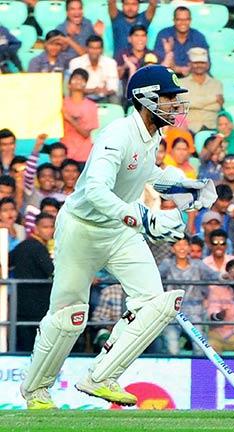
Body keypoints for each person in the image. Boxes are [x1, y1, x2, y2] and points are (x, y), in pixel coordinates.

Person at [19, 65, 216, 410]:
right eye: (169, 98)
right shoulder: (117, 134)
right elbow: (95, 189)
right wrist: (138, 215)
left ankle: (101, 377)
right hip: (82, 226)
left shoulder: (152, 136)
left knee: (155, 304)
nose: (174, 105)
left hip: (119, 230)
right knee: (70, 314)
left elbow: (147, 172)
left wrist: (188, 189)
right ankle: (36, 391)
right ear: (146, 99)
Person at [158, 235, 220, 354]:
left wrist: (226, 276)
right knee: (172, 348)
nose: (181, 248)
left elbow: (214, 275)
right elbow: (155, 279)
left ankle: (200, 372)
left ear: (189, 247)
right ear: (172, 248)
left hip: (194, 312)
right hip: (173, 313)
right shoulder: (167, 264)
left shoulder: (197, 264)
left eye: (184, 244)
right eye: (178, 245)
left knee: (200, 347)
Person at [9, 213, 54, 352]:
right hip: (37, 305)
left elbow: (8, 261)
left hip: (20, 304)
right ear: (36, 228)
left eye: (51, 226)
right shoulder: (38, 248)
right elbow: (51, 271)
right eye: (45, 227)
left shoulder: (22, 245)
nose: (49, 230)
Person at [154, 6, 209, 76]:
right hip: (169, 76)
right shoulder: (164, 35)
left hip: (193, 77)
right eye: (179, 19)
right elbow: (158, 63)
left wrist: (189, 70)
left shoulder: (198, 37)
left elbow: (207, 64)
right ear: (174, 20)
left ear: (190, 20)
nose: (183, 23)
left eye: (186, 19)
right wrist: (178, 69)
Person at [61, 68, 99, 163]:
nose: (78, 80)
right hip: (65, 154)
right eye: (75, 78)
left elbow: (86, 134)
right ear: (69, 85)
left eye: (82, 79)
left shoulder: (91, 106)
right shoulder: (61, 103)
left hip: (83, 155)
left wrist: (69, 118)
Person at [181, 48, 223, 132]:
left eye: (202, 63)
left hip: (212, 128)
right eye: (196, 63)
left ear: (207, 65)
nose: (199, 65)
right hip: (189, 128)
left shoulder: (217, 84)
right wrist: (214, 99)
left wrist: (194, 103)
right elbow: (185, 104)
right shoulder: (181, 83)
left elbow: (217, 107)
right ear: (190, 64)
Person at [69, 35, 120, 104]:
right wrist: (93, 90)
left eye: (97, 48)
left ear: (102, 50)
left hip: (104, 96)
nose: (94, 52)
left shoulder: (110, 63)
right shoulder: (76, 63)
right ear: (86, 48)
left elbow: (113, 87)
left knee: (114, 98)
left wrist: (105, 91)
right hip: (83, 96)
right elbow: (73, 87)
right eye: (92, 48)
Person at [56, 0, 96, 65]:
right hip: (68, 67)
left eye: (79, 8)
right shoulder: (60, 29)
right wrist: (70, 37)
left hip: (87, 65)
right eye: (73, 9)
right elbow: (57, 53)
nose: (77, 12)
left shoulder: (88, 24)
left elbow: (92, 51)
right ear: (67, 12)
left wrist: (99, 34)